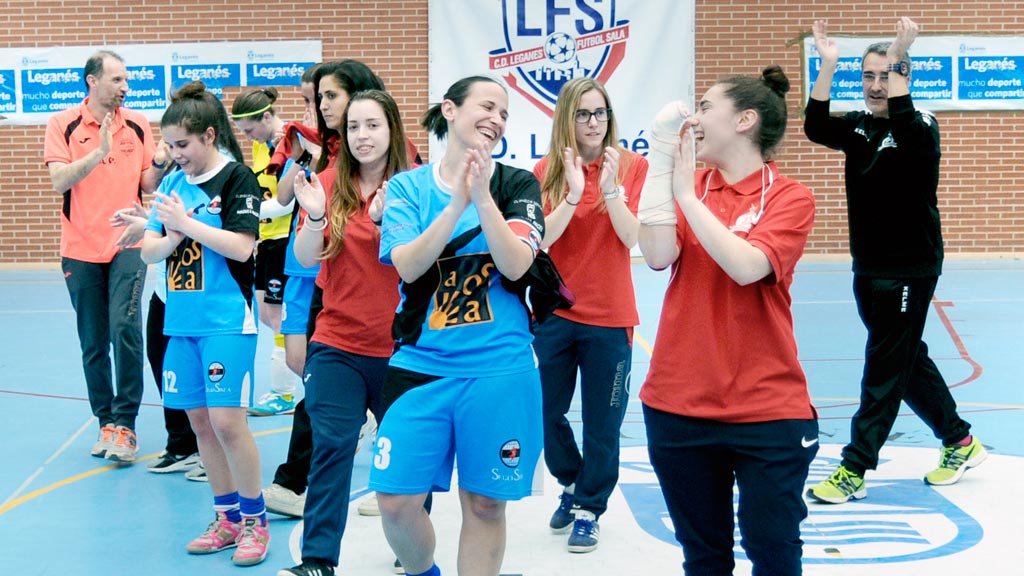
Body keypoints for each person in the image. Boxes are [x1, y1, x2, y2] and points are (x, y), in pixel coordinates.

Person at [636, 66, 818, 575]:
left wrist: (688, 199)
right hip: (678, 404)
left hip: (767, 409)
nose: (694, 118)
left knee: (774, 551)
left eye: (706, 107)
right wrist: (661, 163)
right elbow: (654, 255)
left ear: (745, 120)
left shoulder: (790, 197)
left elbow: (746, 268)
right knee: (705, 558)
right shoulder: (686, 181)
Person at [804, 18, 986, 504]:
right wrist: (827, 66)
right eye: (868, 76)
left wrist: (902, 53)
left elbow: (906, 127)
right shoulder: (859, 127)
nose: (876, 85)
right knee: (904, 358)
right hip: (868, 266)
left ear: (904, 79)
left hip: (910, 268)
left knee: (884, 367)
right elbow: (815, 125)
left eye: (886, 75)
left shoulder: (920, 125)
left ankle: (855, 467)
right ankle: (960, 440)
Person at [371, 75, 545, 576]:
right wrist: (454, 204)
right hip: (420, 366)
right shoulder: (406, 187)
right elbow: (407, 264)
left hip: (500, 369)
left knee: (486, 504)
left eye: (505, 113)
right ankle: (423, 571)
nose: (496, 119)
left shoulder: (518, 184)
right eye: (487, 106)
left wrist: (484, 198)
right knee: (396, 501)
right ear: (449, 110)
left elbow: (514, 265)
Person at [276, 89, 410, 576]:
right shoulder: (328, 183)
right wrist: (314, 215)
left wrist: (388, 222)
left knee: (406, 456)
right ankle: (318, 560)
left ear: (391, 129)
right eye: (354, 127)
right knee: (331, 443)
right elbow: (308, 259)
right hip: (337, 343)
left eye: (373, 125)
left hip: (404, 349)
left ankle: (410, 544)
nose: (363, 136)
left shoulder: (416, 186)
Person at [141, 81, 270, 567]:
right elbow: (150, 250)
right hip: (181, 321)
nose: (176, 156)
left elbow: (241, 247)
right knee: (200, 423)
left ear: (210, 136)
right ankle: (227, 518)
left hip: (226, 321)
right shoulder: (172, 185)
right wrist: (172, 233)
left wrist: (186, 225)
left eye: (183, 146)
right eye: (170, 146)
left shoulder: (238, 178)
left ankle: (256, 522)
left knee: (227, 422)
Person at [261, 60, 388, 519]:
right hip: (315, 272)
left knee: (328, 375)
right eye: (315, 98)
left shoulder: (389, 157)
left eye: (329, 96)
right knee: (306, 367)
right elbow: (282, 199)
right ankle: (317, 460)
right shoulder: (320, 150)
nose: (319, 105)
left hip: (367, 294)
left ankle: (303, 479)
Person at [531, 77, 647, 553]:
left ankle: (588, 508)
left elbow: (631, 237)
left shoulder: (631, 166)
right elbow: (542, 240)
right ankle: (573, 481)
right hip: (557, 314)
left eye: (600, 112)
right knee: (544, 413)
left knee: (603, 423)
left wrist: (612, 188)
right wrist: (575, 193)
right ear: (567, 119)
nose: (593, 122)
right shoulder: (547, 169)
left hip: (611, 316)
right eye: (583, 114)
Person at [43, 50, 163, 463]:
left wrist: (162, 163)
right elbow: (60, 179)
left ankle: (126, 424)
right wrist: (99, 150)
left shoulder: (140, 123)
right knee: (93, 342)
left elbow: (148, 182)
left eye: (127, 80)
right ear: (92, 82)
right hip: (79, 248)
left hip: (128, 241)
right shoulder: (63, 124)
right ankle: (105, 421)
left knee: (124, 328)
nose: (125, 88)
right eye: (116, 80)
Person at [231, 87, 298, 417]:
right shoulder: (260, 147)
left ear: (267, 117)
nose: (248, 137)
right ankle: (284, 389)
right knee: (268, 313)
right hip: (266, 241)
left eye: (250, 129)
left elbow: (289, 203)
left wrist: (247, 215)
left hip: (286, 238)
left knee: (281, 316)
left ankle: (285, 391)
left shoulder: (291, 143)